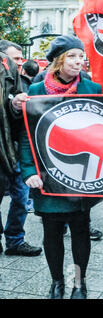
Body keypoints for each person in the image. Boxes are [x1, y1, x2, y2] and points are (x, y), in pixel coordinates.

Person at [20, 35, 102, 299]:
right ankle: (57, 282)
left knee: (80, 230)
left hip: (80, 172)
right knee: (51, 232)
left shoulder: (93, 89)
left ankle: (79, 283)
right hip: (47, 173)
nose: (79, 61)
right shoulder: (36, 92)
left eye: (81, 56)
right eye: (73, 56)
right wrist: (29, 171)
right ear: (58, 60)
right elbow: (27, 135)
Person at [0, 40, 42, 257]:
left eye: (20, 59)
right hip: (6, 147)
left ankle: (15, 240)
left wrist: (16, 105)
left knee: (21, 195)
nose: (19, 63)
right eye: (15, 58)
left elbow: (17, 109)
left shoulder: (15, 75)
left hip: (15, 147)